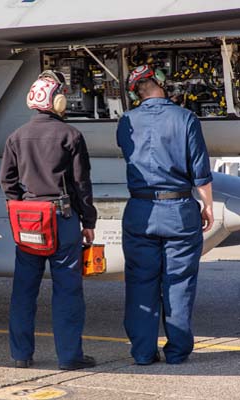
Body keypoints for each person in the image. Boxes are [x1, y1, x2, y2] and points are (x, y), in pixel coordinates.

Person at [0, 70, 97, 370]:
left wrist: (21, 207)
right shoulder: (70, 135)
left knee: (24, 289)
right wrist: (88, 221)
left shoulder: (15, 137)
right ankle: (69, 357)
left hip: (28, 221)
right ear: (57, 101)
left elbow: (7, 182)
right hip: (61, 218)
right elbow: (81, 184)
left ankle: (20, 355)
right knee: (67, 290)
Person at [117, 65, 214, 365]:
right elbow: (200, 170)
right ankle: (176, 352)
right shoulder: (186, 118)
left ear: (135, 94)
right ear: (161, 82)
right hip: (179, 211)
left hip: (140, 211)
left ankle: (144, 353)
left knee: (140, 282)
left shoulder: (126, 121)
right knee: (179, 282)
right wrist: (207, 205)